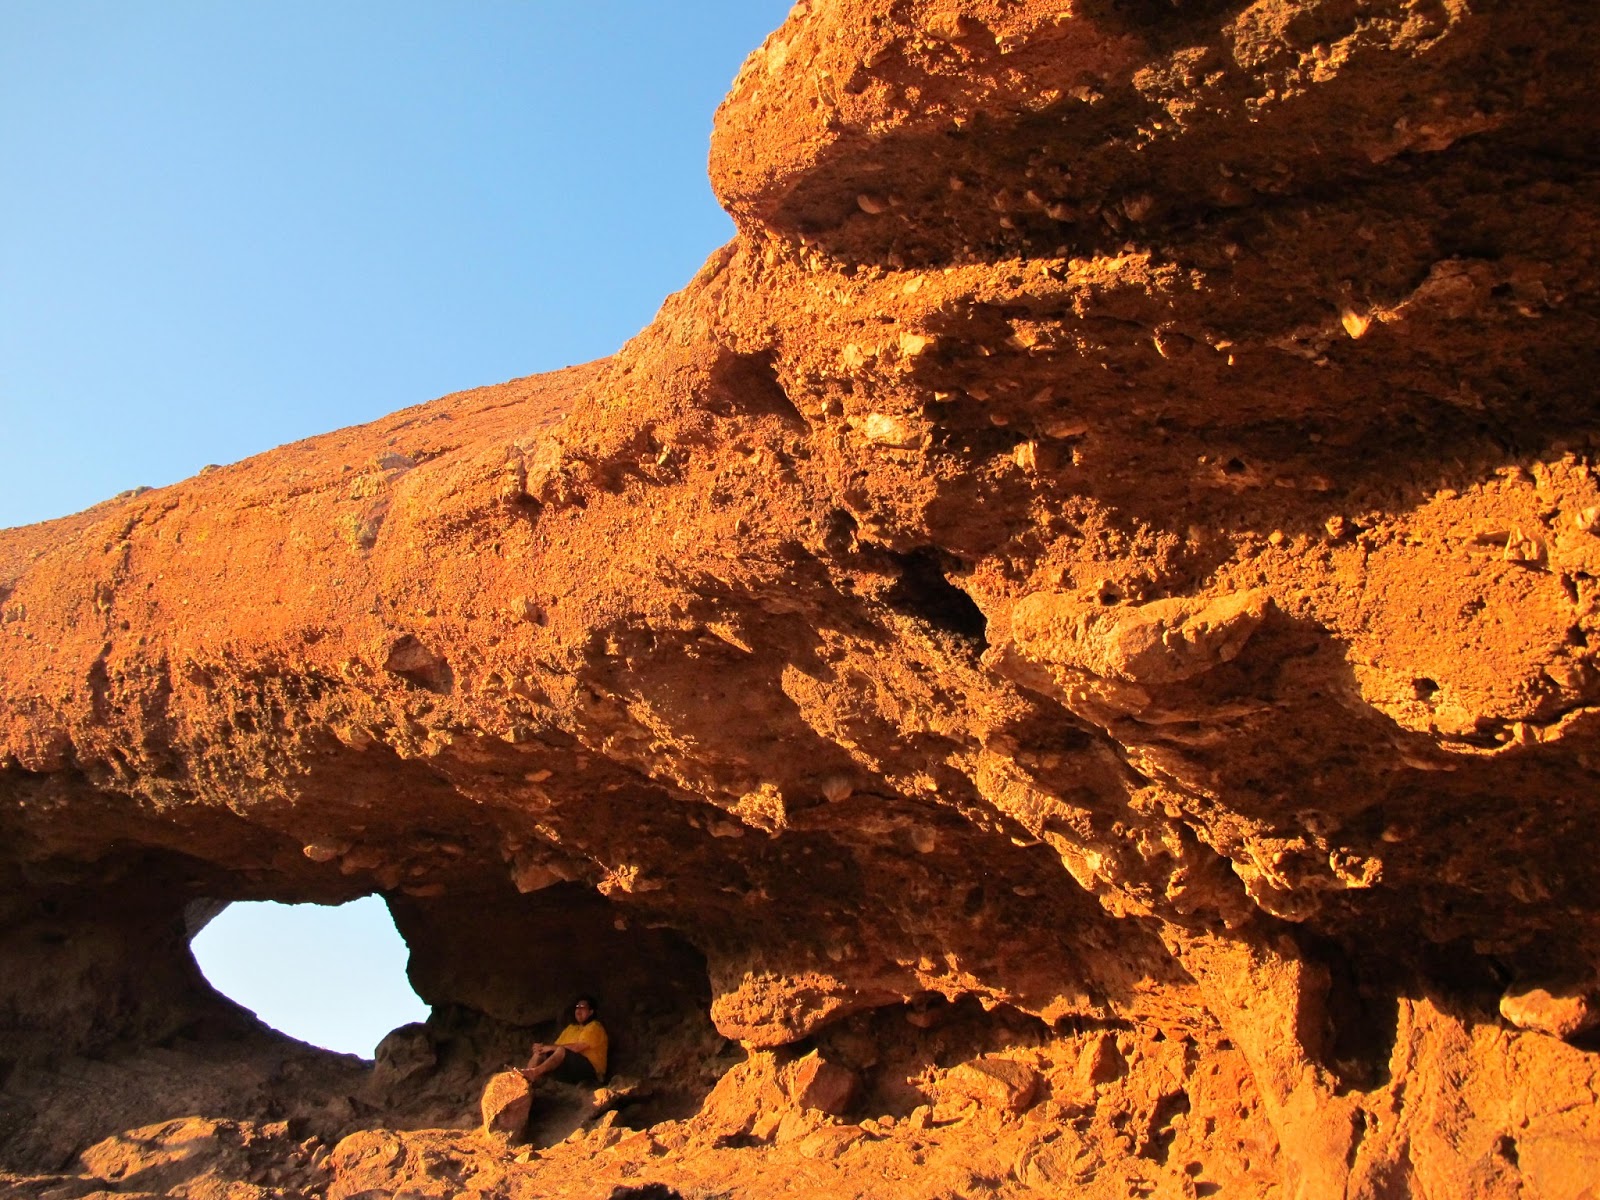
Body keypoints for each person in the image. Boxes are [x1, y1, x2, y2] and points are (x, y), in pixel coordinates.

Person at [520, 996, 608, 1086]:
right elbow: (555, 1049)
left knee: (561, 1050)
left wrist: (549, 1047)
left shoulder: (595, 1027)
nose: (578, 1010)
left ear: (591, 1012)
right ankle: (524, 1081)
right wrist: (541, 1048)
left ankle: (534, 1073)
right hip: (571, 1068)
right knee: (540, 1052)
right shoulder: (571, 1028)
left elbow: (577, 1047)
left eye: (582, 1007)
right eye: (577, 1007)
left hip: (591, 1071)